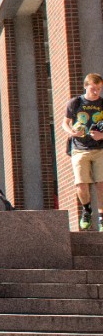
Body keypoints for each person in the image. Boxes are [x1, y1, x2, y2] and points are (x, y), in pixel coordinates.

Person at [62, 73, 103, 230]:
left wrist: (101, 135)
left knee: (101, 184)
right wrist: (72, 132)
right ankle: (86, 210)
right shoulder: (75, 103)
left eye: (99, 89)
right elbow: (64, 123)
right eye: (93, 88)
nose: (96, 92)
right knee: (81, 184)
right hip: (79, 149)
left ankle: (101, 218)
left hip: (99, 148)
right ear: (86, 86)